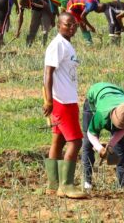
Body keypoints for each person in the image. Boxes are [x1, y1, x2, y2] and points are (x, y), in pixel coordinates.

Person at [42, 12, 89, 199]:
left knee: (59, 141)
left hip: (67, 99)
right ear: (58, 25)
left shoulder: (67, 45)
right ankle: (66, 185)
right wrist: (48, 100)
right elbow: (48, 73)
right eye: (67, 24)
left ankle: (53, 185)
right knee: (76, 141)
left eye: (74, 24)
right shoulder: (57, 45)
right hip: (62, 102)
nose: (71, 27)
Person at [81, 82, 124, 191]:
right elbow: (91, 133)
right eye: (118, 124)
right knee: (88, 145)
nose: (120, 127)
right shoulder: (102, 114)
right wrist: (99, 148)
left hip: (117, 93)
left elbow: (123, 130)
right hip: (96, 96)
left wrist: (111, 144)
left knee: (120, 147)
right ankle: (86, 182)